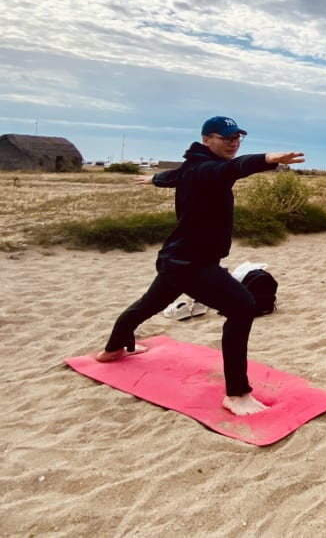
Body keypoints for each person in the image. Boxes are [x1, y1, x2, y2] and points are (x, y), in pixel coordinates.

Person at [95, 115, 304, 416]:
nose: (233, 143)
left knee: (148, 305)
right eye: (226, 138)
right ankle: (237, 393)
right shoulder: (209, 168)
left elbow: (176, 176)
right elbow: (233, 168)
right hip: (191, 263)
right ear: (207, 139)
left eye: (237, 138)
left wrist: (153, 179)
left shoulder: (194, 166)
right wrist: (268, 158)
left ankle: (113, 349)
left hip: (176, 261)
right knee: (242, 307)